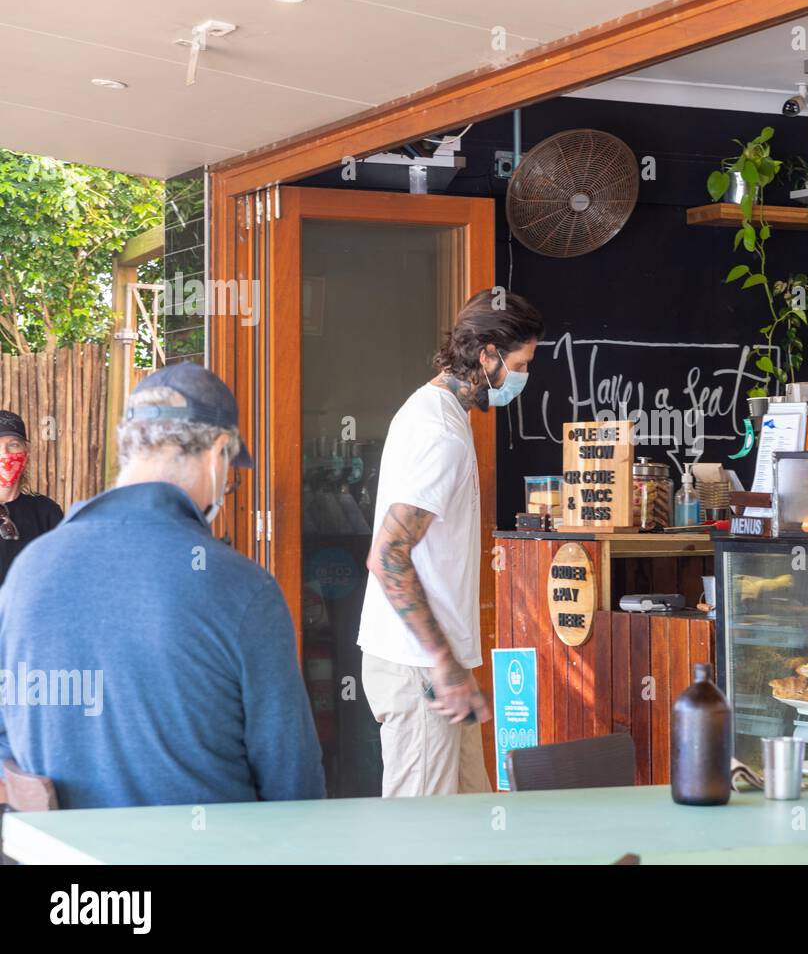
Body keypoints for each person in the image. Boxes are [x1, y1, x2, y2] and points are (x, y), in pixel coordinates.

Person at [0, 364, 325, 809]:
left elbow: (7, 745)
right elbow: (294, 789)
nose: (227, 483)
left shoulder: (28, 570)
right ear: (218, 452)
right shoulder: (243, 588)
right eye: (230, 466)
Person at [359, 289, 543, 796]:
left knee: (472, 825)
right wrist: (442, 664)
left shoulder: (437, 411)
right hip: (420, 666)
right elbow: (388, 556)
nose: (523, 378)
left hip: (435, 664)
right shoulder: (439, 431)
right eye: (521, 363)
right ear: (487, 355)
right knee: (422, 841)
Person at [0, 411, 63, 589]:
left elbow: (59, 572)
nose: (4, 454)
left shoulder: (46, 512)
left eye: (13, 445)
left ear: (25, 454)